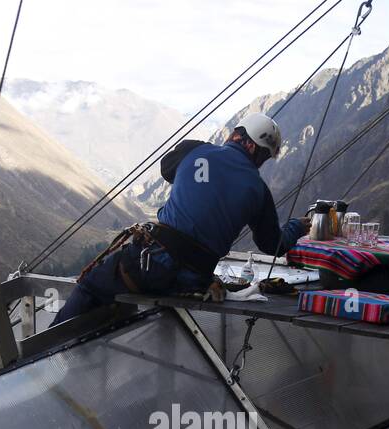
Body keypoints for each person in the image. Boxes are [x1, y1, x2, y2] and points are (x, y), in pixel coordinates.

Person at [53, 112, 309, 325]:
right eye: (265, 157)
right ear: (255, 149)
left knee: (91, 286)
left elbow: (167, 170)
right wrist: (298, 226)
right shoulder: (259, 191)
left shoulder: (196, 150)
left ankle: (45, 359)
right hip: (195, 281)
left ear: (241, 138)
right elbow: (272, 245)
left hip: (151, 264)